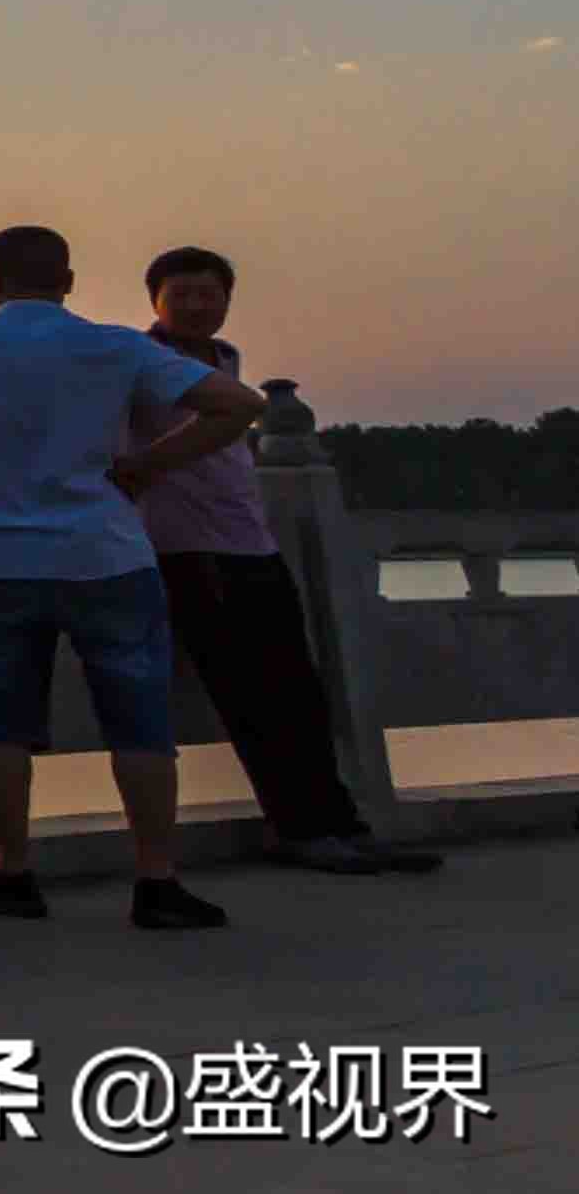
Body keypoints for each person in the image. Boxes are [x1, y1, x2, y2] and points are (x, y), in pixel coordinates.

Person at [0, 225, 264, 929]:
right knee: (138, 721)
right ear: (67, 282)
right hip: (109, 556)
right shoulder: (115, 345)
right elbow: (240, 406)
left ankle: (13, 873)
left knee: (3, 725)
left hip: (0, 562)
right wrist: (145, 466)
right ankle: (156, 882)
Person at [135, 245, 440, 876]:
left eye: (209, 293)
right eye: (182, 293)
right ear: (155, 303)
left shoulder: (224, 360)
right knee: (250, 696)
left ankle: (342, 825)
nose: (197, 304)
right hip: (189, 550)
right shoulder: (139, 367)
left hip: (253, 544)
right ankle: (297, 828)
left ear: (227, 301)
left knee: (299, 691)